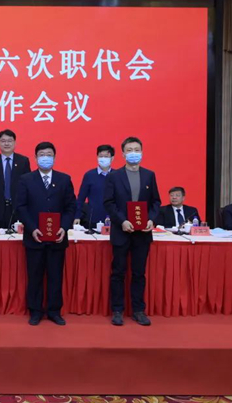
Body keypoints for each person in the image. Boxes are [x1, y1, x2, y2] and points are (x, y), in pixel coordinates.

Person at [16, 142, 76, 326]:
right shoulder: (26, 179)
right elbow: (21, 207)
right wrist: (32, 228)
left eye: (49, 154)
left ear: (54, 158)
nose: (45, 158)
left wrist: (64, 227)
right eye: (42, 154)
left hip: (57, 237)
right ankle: (35, 311)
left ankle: (54, 311)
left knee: (55, 276)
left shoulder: (64, 179)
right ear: (35, 158)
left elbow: (71, 207)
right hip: (34, 236)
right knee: (34, 276)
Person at [103, 136, 160, 327]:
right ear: (123, 154)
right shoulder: (114, 176)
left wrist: (151, 219)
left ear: (142, 152)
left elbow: (156, 202)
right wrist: (122, 221)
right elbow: (109, 202)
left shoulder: (149, 175)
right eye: (129, 150)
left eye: (136, 150)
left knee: (139, 273)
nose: (133, 153)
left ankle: (138, 310)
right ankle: (117, 310)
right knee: (118, 272)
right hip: (122, 231)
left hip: (142, 233)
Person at [0, 129, 31, 229]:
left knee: (18, 237)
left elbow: (28, 186)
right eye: (3, 141)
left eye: (10, 141)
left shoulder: (23, 161)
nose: (6, 143)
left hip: (17, 209)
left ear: (15, 143)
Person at [74, 144, 115, 228]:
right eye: (101, 156)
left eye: (106, 156)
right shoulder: (89, 175)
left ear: (112, 158)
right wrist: (77, 216)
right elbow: (81, 198)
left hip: (113, 219)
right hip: (93, 220)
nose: (103, 158)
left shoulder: (117, 175)